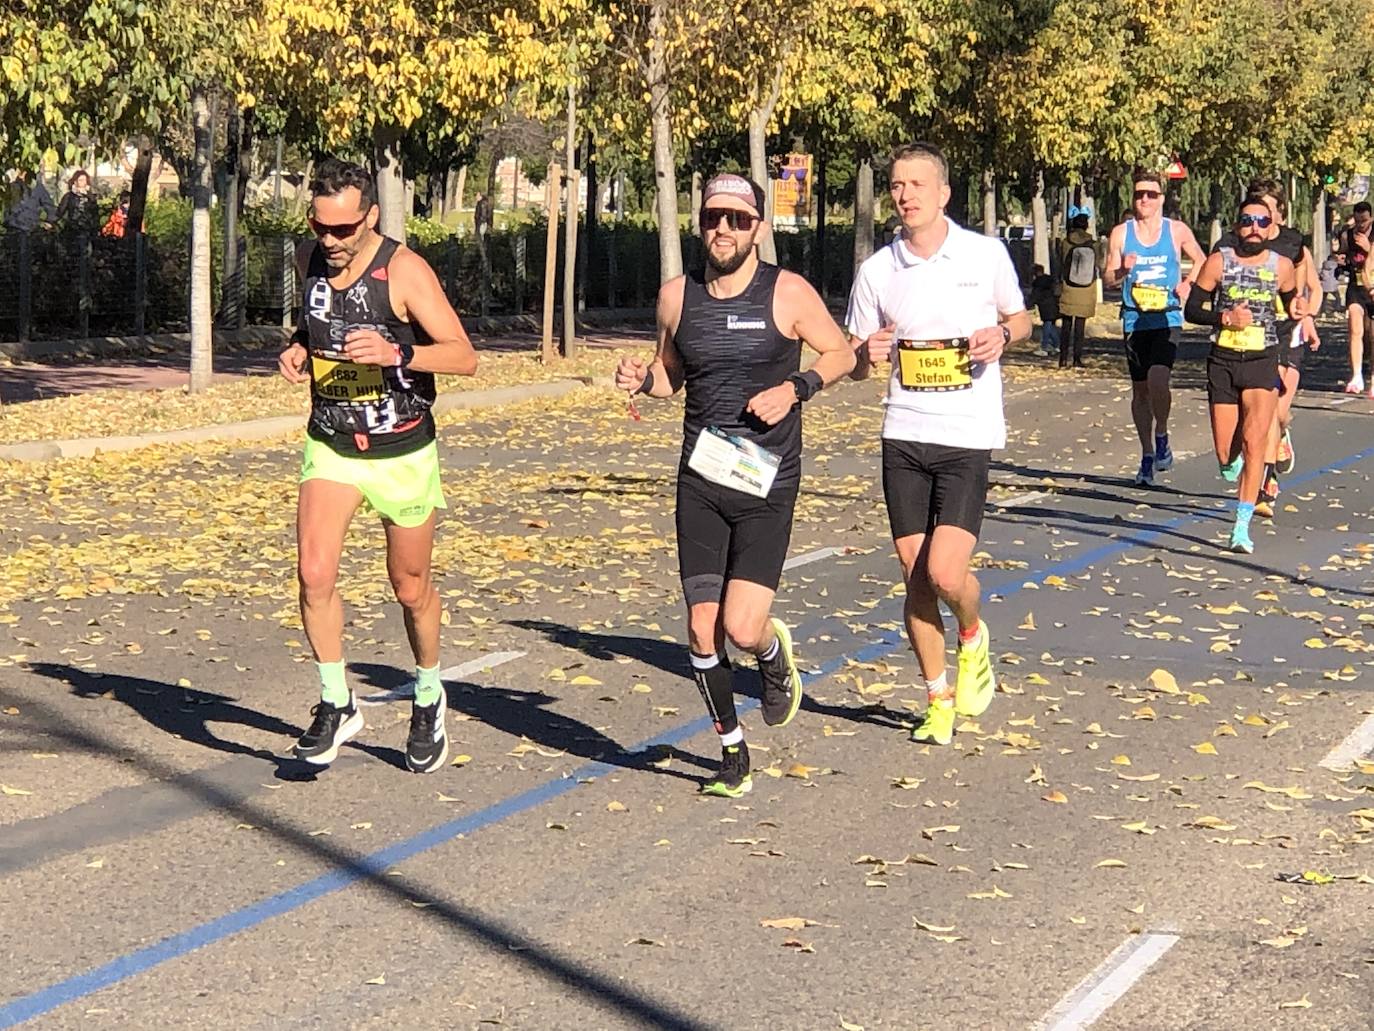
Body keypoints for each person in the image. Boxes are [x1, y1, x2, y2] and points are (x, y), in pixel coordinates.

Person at [614, 173, 855, 798]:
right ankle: (731, 750)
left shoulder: (788, 292)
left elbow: (843, 354)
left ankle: (773, 659)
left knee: (743, 630)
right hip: (700, 479)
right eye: (713, 219)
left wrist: (796, 387)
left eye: (737, 220)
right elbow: (670, 377)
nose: (723, 230)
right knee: (701, 626)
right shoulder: (677, 296)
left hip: (766, 480)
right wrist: (642, 378)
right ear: (701, 226)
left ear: (758, 228)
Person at [277, 158, 479, 773]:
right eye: (320, 228)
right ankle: (337, 702)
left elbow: (464, 357)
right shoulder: (309, 259)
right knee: (313, 574)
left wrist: (400, 351)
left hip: (401, 451)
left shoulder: (405, 271)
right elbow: (311, 328)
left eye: (343, 230)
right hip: (333, 442)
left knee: (409, 587)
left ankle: (427, 692)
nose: (330, 242)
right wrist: (294, 349)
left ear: (371, 217)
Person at [846, 142, 1031, 747]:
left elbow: (1022, 318)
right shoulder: (878, 271)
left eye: (917, 185)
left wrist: (1001, 334)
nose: (905, 196)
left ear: (944, 193)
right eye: (897, 186)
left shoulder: (983, 254)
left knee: (947, 571)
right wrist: (863, 357)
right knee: (914, 575)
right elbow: (854, 358)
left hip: (966, 434)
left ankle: (973, 635)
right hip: (904, 432)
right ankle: (937, 699)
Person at [1184, 196, 1305, 554]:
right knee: (1226, 454)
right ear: (1237, 226)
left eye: (1262, 222)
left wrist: (1298, 310)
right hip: (1223, 360)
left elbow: (1290, 302)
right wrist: (1224, 318)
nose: (1255, 227)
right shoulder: (1218, 262)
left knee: (1255, 443)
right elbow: (1192, 309)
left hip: (1262, 360)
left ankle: (1241, 527)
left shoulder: (1281, 265)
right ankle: (1229, 463)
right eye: (1248, 220)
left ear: (1271, 227)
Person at [1214, 178, 1320, 514]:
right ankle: (1264, 479)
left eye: (1268, 215)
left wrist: (1306, 315)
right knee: (1261, 418)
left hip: (1284, 332)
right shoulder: (1233, 246)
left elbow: (1308, 288)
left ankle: (1267, 472)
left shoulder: (1293, 245)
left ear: (1280, 217)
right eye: (1253, 216)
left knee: (1278, 413)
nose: (1259, 223)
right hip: (1247, 341)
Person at [1105, 169, 1206, 486]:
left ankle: (1161, 433)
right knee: (1140, 391)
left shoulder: (1175, 230)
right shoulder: (1121, 234)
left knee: (1158, 378)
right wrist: (1123, 268)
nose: (1144, 199)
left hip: (1167, 316)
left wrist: (1189, 284)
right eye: (1139, 194)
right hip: (1135, 318)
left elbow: (1202, 260)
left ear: (1161, 198)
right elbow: (1107, 278)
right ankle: (1148, 454)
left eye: (1150, 194)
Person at [1332, 201, 1374, 394]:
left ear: (1371, 218)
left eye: (1364, 221)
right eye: (1357, 221)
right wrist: (1340, 259)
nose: (1361, 225)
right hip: (1356, 287)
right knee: (1355, 330)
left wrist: (1368, 249)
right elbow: (1342, 254)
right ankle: (1356, 376)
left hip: (1373, 287)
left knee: (1372, 335)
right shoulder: (1348, 234)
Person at [1056, 205, 1097, 368]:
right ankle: (1077, 359)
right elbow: (1099, 263)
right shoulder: (1092, 244)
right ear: (1086, 225)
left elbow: (1060, 262)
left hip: (1068, 285)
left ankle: (1063, 358)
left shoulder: (1066, 243)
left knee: (1066, 325)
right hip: (1087, 287)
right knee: (1080, 326)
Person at [1028, 264, 1060, 358]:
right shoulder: (1051, 281)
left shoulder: (1037, 283)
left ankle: (1045, 347)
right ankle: (1056, 345)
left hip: (1045, 307)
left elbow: (1034, 297)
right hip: (1054, 305)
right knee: (1050, 326)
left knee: (1047, 327)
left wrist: (1027, 305)